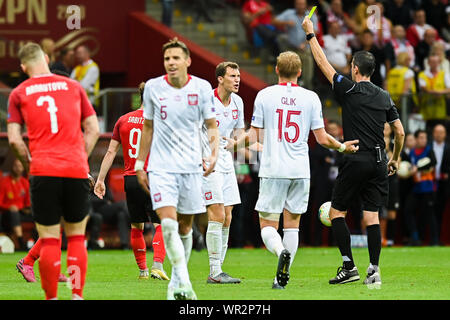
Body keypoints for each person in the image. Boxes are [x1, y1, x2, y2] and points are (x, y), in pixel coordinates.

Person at [227, 51, 359, 289]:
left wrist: (233, 145)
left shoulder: (265, 95)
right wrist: (341, 146)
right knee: (292, 225)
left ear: (276, 70)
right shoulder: (311, 97)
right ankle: (280, 280)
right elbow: (321, 138)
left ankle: (280, 254)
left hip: (273, 168)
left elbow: (254, 135)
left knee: (267, 226)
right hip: (300, 170)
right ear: (300, 72)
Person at [303, 16, 405, 286]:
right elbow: (400, 131)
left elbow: (323, 64)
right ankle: (374, 270)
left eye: (351, 66)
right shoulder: (384, 96)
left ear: (356, 69)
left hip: (356, 157)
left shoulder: (349, 88)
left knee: (337, 213)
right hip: (380, 161)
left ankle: (348, 266)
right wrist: (394, 158)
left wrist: (311, 35)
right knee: (372, 217)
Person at [7, 42, 99, 300]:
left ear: (24, 67)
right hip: (75, 169)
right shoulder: (74, 86)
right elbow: (92, 129)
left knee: (48, 239)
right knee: (77, 238)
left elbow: (14, 139)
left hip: (43, 170)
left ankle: (51, 298)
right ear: (46, 58)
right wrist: (80, 157)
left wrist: (29, 165)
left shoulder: (19, 92)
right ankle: (77, 295)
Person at [135, 38, 219, 300]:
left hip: (192, 167)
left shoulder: (203, 88)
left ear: (187, 61)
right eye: (167, 59)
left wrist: (213, 155)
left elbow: (211, 125)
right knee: (168, 224)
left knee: (185, 227)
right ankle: (181, 283)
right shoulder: (152, 88)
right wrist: (140, 164)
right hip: (161, 168)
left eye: (175, 58)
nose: (171, 63)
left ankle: (177, 282)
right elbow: (147, 127)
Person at [94, 83, 169, 281]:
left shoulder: (123, 120)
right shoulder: (159, 121)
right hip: (151, 177)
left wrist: (100, 179)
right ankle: (157, 266)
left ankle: (143, 271)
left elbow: (111, 151)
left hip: (130, 179)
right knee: (161, 223)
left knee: (137, 226)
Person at [202, 62, 244, 284]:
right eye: (232, 76)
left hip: (226, 161)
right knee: (217, 213)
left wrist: (235, 143)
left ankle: (218, 269)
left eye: (238, 76)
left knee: (227, 216)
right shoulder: (206, 100)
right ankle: (214, 271)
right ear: (220, 78)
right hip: (208, 161)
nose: (237, 80)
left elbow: (240, 134)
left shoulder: (238, 102)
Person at [403, 129, 439, 246]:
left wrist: (417, 169)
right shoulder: (412, 152)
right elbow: (408, 167)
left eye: (425, 138)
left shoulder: (429, 150)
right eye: (421, 138)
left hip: (428, 188)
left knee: (430, 214)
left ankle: (434, 240)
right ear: (416, 139)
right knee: (408, 210)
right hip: (416, 188)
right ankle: (414, 237)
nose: (424, 140)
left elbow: (433, 162)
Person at [273, 0, 319, 89]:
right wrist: (286, 23)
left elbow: (315, 31)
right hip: (290, 48)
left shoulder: (311, 15)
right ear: (295, 5)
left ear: (305, 5)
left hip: (304, 48)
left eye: (302, 4)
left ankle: (307, 87)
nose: (300, 6)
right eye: (298, 4)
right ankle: (283, 86)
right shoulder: (289, 13)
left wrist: (304, 44)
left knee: (308, 71)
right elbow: (274, 21)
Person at [0, 159, 31, 250]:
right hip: (6, 213)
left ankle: (39, 245)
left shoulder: (25, 182)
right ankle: (21, 243)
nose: (18, 168)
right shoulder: (4, 182)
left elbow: (28, 203)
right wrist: (9, 207)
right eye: (16, 166)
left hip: (22, 212)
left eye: (20, 166)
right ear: (12, 167)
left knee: (39, 214)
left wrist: (27, 209)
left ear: (23, 169)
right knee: (14, 213)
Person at [417, 54, 450, 131]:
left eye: (436, 62)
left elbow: (449, 88)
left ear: (439, 63)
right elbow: (424, 88)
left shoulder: (444, 74)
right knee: (428, 131)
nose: (434, 64)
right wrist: (439, 92)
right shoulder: (422, 74)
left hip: (441, 111)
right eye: (432, 62)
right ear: (428, 63)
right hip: (427, 110)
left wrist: (437, 92)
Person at [431, 124, 450, 241]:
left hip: (444, 184)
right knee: (430, 211)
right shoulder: (428, 147)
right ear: (433, 134)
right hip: (429, 183)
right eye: (437, 132)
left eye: (441, 132)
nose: (439, 135)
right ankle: (433, 238)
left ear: (445, 134)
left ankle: (439, 238)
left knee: (440, 211)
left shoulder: (448, 148)